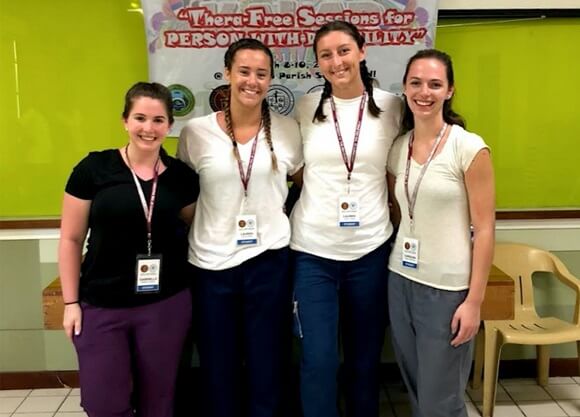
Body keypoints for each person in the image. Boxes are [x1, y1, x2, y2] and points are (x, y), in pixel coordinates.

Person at [177, 38, 303, 417]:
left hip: (269, 261)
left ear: (270, 79)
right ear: (228, 73)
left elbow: (306, 185)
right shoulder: (196, 132)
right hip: (210, 264)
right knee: (218, 363)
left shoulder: (288, 130)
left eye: (261, 74)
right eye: (244, 71)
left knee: (269, 360)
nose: (252, 81)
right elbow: (183, 196)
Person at [58, 82, 199, 417]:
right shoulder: (94, 169)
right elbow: (71, 239)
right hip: (102, 304)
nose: (148, 128)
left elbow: (194, 225)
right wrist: (70, 303)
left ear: (169, 125)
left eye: (158, 120)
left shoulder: (181, 178)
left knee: (159, 401)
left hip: (165, 304)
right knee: (104, 403)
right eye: (140, 118)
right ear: (125, 121)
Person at [289, 21, 402, 417]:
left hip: (370, 251)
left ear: (362, 51)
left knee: (364, 361)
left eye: (343, 51)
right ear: (317, 63)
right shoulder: (306, 108)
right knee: (318, 361)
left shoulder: (392, 107)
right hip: (312, 253)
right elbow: (298, 170)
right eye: (326, 55)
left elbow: (399, 170)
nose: (336, 61)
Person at [386, 49, 495, 417]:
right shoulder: (398, 148)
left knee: (441, 401)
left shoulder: (468, 147)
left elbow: (484, 229)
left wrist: (474, 301)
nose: (424, 92)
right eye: (416, 83)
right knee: (418, 391)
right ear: (404, 88)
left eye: (435, 84)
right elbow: (399, 211)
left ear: (449, 91)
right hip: (400, 280)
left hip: (448, 290)